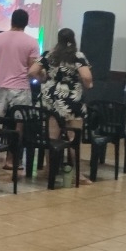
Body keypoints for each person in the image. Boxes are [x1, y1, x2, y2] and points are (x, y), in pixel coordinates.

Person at [29, 28, 93, 184]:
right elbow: (86, 76)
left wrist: (44, 79)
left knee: (52, 137)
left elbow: (32, 71)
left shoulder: (49, 54)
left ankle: (49, 170)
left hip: (50, 98)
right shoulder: (77, 56)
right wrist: (89, 85)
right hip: (71, 99)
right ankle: (78, 174)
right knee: (73, 138)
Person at [0, 8, 39, 169]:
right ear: (26, 23)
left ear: (11, 21)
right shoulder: (32, 42)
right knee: (18, 125)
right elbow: (32, 67)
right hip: (20, 88)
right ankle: (11, 160)